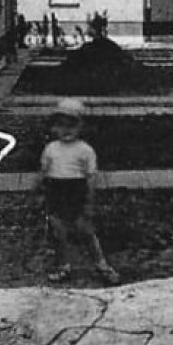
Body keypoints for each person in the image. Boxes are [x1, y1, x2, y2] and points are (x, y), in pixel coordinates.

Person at [39, 98, 120, 285]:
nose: (66, 130)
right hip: (56, 191)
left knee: (86, 231)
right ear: (54, 128)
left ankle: (102, 265)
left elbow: (90, 176)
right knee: (59, 232)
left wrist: (89, 199)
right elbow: (44, 171)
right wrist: (39, 190)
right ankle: (64, 266)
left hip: (77, 191)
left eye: (72, 125)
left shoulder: (85, 150)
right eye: (61, 125)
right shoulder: (51, 148)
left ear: (81, 127)